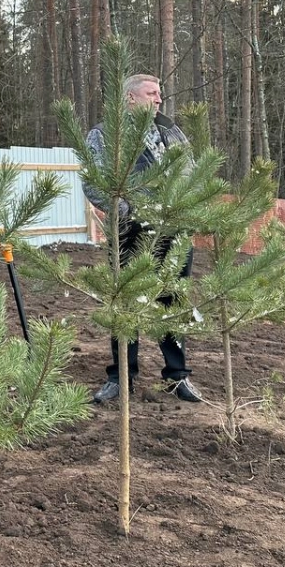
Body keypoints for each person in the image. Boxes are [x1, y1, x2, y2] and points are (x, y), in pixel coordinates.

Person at [83, 73, 202, 405]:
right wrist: (128, 212)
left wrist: (183, 210)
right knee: (125, 304)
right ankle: (121, 377)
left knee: (172, 301)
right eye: (152, 93)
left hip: (173, 230)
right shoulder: (106, 135)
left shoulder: (171, 132)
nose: (159, 98)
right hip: (129, 232)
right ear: (130, 98)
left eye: (160, 93)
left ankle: (177, 376)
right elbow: (94, 181)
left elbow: (190, 172)